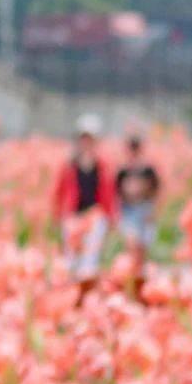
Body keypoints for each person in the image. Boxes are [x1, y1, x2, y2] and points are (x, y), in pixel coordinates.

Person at [52, 114, 117, 289]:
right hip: (74, 216)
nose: (86, 142)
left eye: (90, 139)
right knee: (70, 257)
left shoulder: (102, 166)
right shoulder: (69, 165)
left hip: (94, 216)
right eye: (84, 138)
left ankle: (85, 293)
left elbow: (109, 194)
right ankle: (68, 292)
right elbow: (59, 193)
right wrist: (57, 216)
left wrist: (111, 218)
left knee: (90, 258)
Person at [116, 131, 161, 273]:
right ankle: (131, 273)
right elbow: (117, 192)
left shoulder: (148, 170)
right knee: (131, 243)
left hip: (145, 209)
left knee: (143, 246)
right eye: (131, 147)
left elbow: (156, 190)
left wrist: (154, 209)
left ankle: (139, 274)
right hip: (129, 209)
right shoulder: (122, 170)